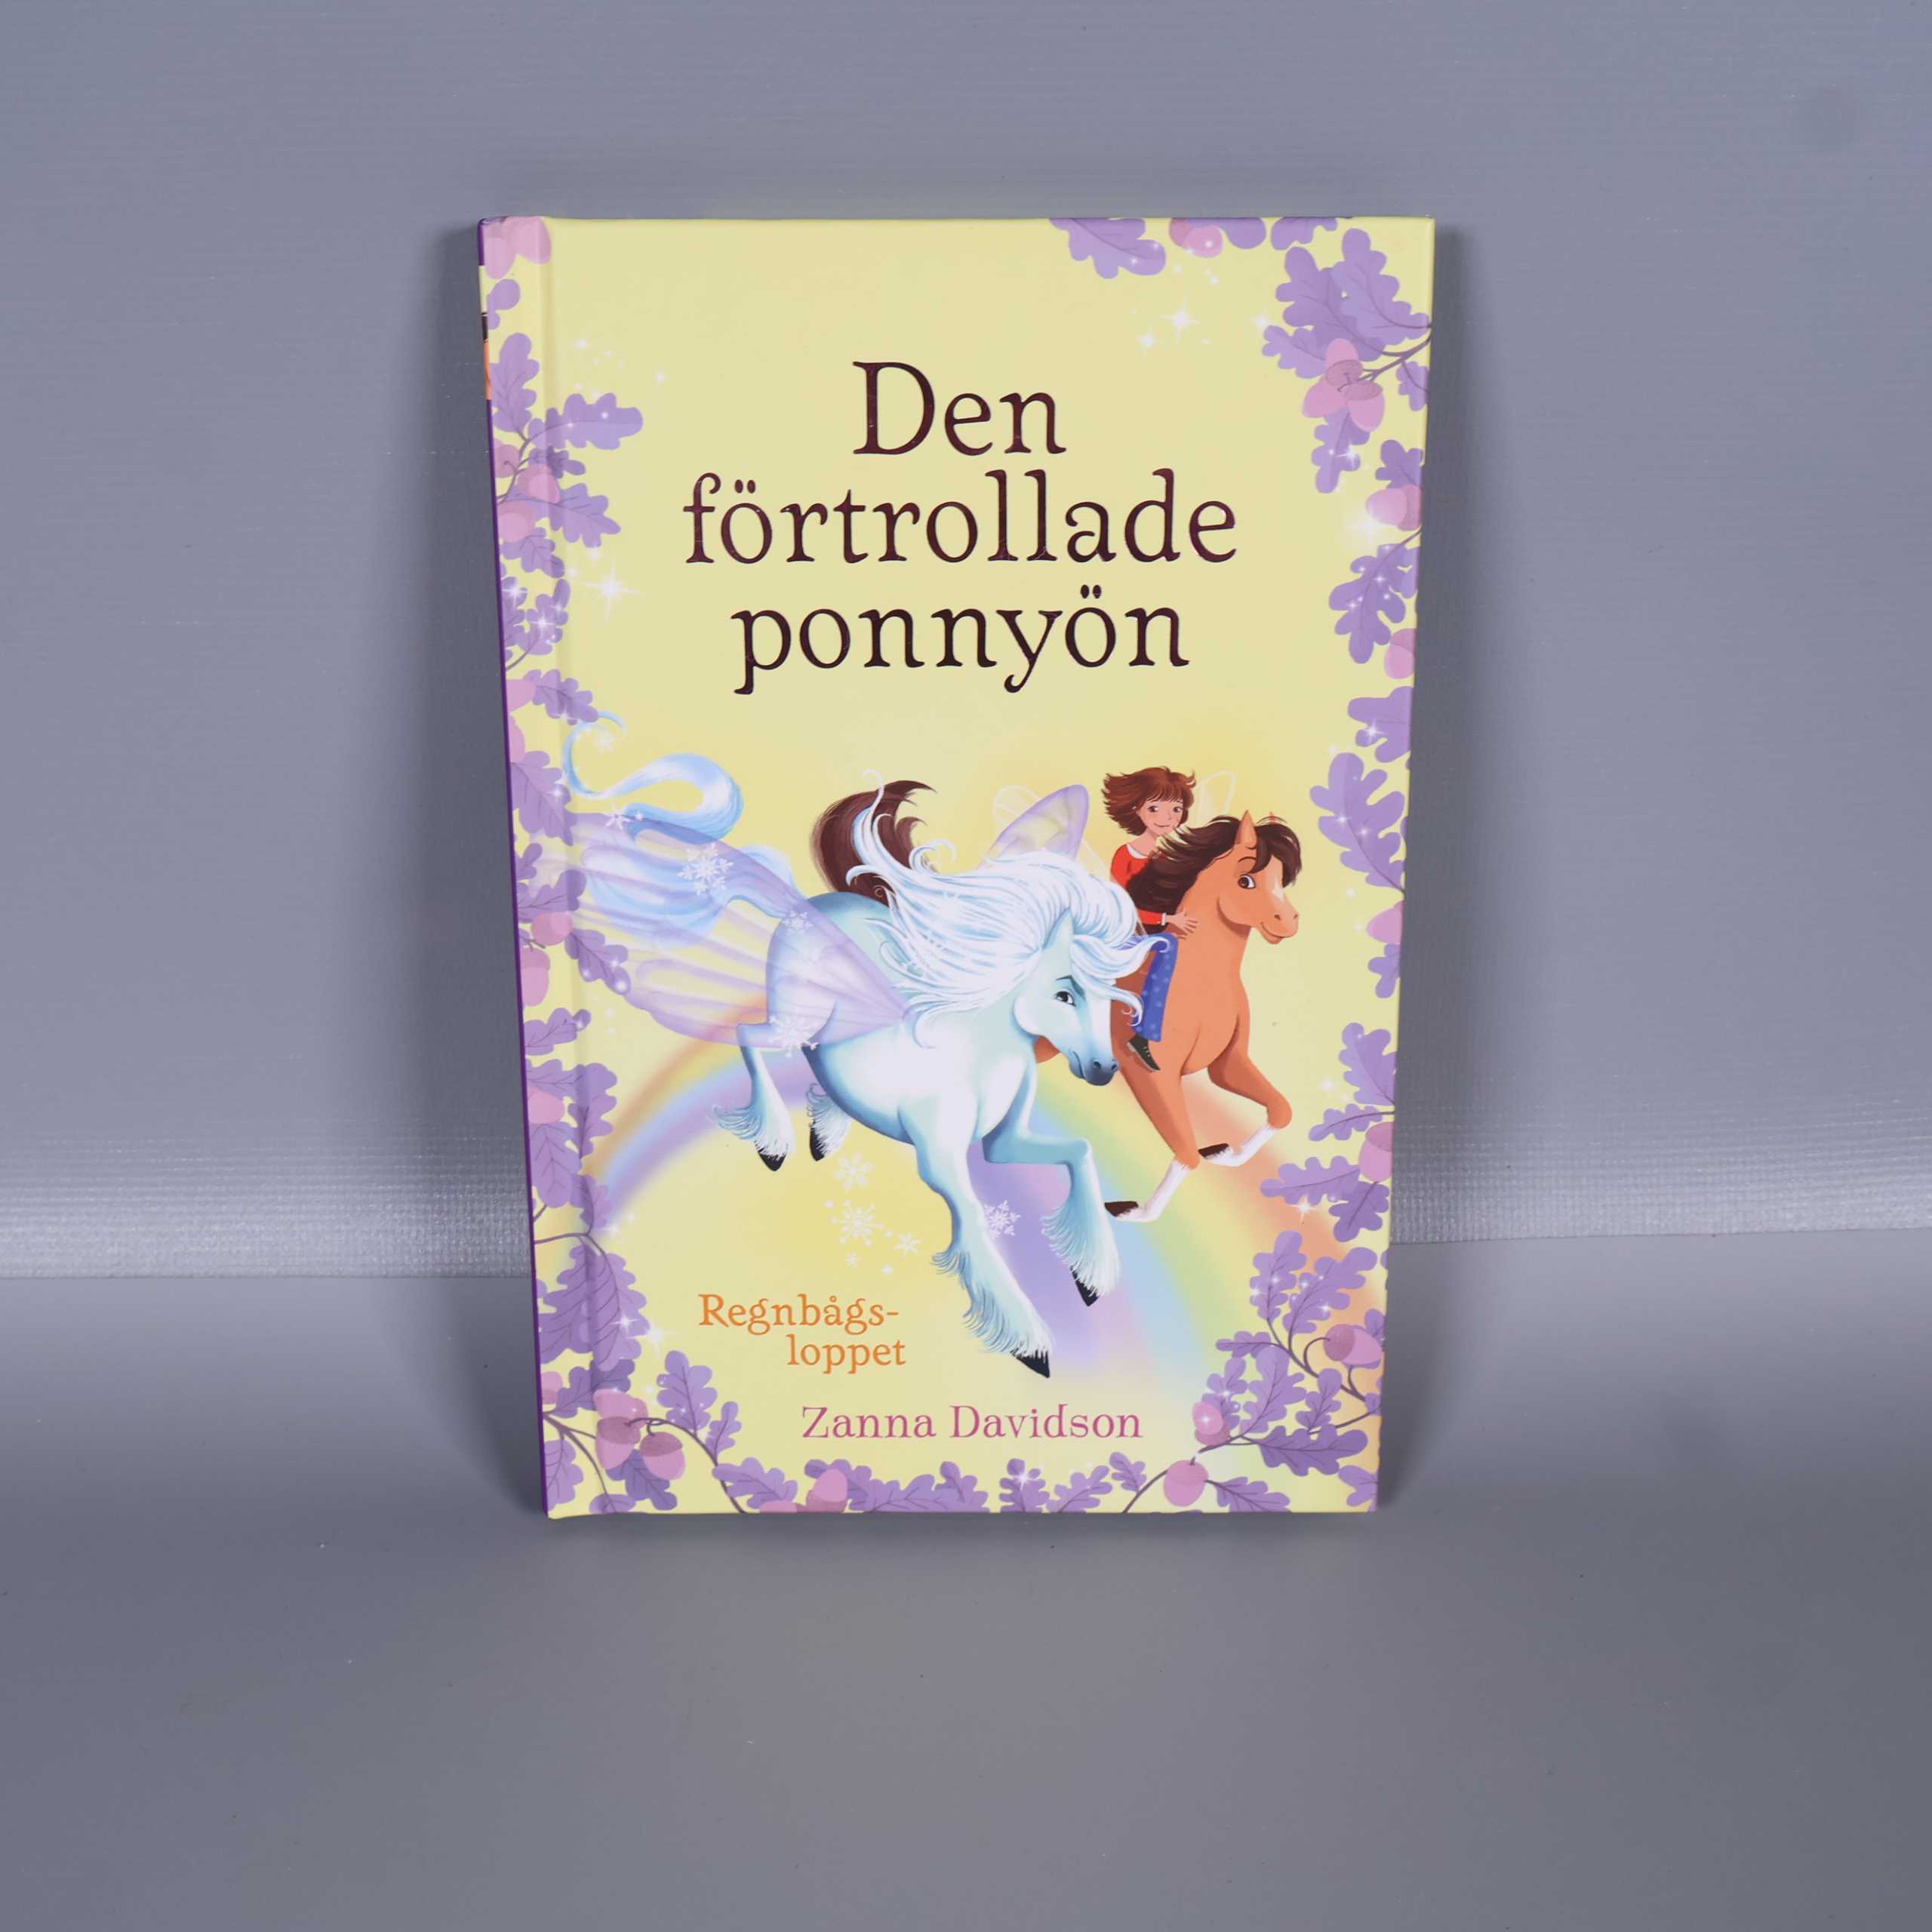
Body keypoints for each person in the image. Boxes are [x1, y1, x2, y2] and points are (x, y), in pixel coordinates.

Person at [1102, 766, 1199, 1072]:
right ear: (1137, 810)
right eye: (1155, 808)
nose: (1166, 818)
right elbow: (1122, 907)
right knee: (1168, 946)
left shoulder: (1172, 857)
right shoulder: (1126, 855)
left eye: (1176, 810)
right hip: (1128, 933)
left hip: (1161, 928)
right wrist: (1166, 917)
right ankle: (1143, 1033)